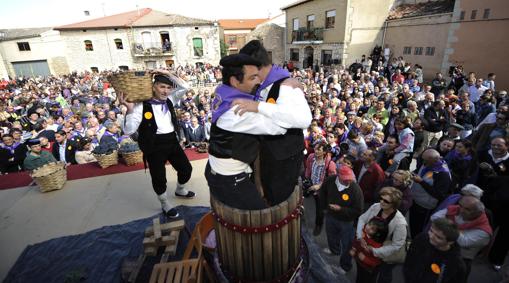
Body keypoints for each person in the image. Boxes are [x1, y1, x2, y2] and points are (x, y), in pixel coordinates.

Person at [205, 54, 288, 210]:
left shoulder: (224, 91)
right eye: (252, 78)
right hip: (229, 179)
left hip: (225, 169)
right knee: (259, 217)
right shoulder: (238, 110)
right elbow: (279, 127)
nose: (259, 81)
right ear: (235, 81)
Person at [236, 40, 312, 205]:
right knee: (267, 195)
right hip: (268, 155)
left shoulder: (286, 86)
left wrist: (258, 107)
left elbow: (304, 119)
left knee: (281, 203)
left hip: (284, 160)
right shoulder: (261, 85)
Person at [122, 71, 195, 219]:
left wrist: (167, 73)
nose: (166, 91)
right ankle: (164, 203)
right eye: (162, 87)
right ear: (153, 87)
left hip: (171, 141)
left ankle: (180, 190)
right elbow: (128, 130)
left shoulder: (170, 99)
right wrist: (129, 110)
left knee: (186, 169)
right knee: (159, 178)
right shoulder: (141, 105)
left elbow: (185, 87)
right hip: (153, 145)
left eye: (168, 87)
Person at [430, 195, 492, 280]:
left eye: (467, 209)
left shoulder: (484, 232)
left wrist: (445, 225)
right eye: (461, 205)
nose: (461, 210)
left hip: (459, 261)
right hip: (440, 253)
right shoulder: (456, 209)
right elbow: (434, 217)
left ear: (478, 212)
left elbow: (463, 241)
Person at [316, 165, 364, 274]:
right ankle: (335, 250)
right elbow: (322, 192)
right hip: (330, 216)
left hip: (347, 222)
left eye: (350, 178)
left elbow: (358, 210)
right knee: (331, 236)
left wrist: (341, 209)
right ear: (338, 175)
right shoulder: (330, 180)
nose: (348, 181)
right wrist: (324, 208)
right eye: (345, 179)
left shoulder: (356, 190)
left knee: (347, 245)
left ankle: (345, 266)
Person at [356, 187, 408, 283]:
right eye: (381, 198)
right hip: (365, 245)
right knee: (361, 272)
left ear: (394, 205)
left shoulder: (400, 223)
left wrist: (374, 250)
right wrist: (360, 237)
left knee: (372, 276)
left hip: (380, 254)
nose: (382, 202)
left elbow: (397, 245)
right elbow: (362, 219)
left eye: (386, 201)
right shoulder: (376, 206)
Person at [403, 218, 467, 283]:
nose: (431, 236)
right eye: (431, 231)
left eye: (438, 237)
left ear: (450, 242)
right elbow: (410, 258)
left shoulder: (456, 264)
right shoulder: (422, 238)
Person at [410, 149, 452, 238]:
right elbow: (419, 172)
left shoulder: (443, 174)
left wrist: (421, 182)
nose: (423, 162)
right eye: (423, 159)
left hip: (425, 207)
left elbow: (439, 194)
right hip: (415, 200)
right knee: (412, 225)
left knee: (419, 229)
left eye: (426, 161)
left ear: (435, 160)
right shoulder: (426, 163)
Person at [350, 217, 388, 281]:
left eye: (372, 229)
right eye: (369, 224)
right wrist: (354, 249)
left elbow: (376, 262)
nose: (368, 227)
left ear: (378, 234)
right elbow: (355, 241)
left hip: (368, 268)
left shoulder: (377, 246)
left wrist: (365, 259)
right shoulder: (362, 232)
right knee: (359, 277)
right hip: (359, 262)